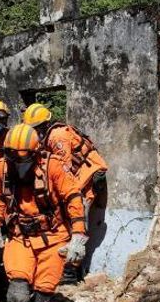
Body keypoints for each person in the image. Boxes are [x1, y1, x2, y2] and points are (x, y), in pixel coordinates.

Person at [0, 123, 88, 302]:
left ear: (35, 154)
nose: (17, 163)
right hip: (20, 237)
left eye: (23, 157)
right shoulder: (3, 168)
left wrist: (78, 234)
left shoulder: (53, 166)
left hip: (53, 239)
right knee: (17, 295)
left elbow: (73, 197)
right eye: (12, 156)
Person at [21, 103, 108, 284]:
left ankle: (70, 271)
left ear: (43, 126)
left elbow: (64, 168)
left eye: (35, 129)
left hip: (86, 179)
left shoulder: (57, 136)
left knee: (76, 219)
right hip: (79, 178)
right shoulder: (49, 135)